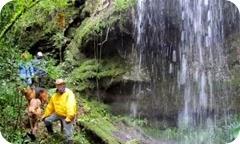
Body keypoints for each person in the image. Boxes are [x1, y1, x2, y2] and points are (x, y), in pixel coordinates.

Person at [42, 79, 77, 144]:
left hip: (67, 115)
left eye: (62, 84)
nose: (61, 86)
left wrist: (69, 117)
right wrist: (45, 115)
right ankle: (51, 133)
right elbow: (50, 107)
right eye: (58, 85)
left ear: (64, 85)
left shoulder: (69, 93)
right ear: (56, 86)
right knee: (47, 120)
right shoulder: (55, 95)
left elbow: (71, 105)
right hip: (58, 114)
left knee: (68, 133)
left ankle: (69, 141)